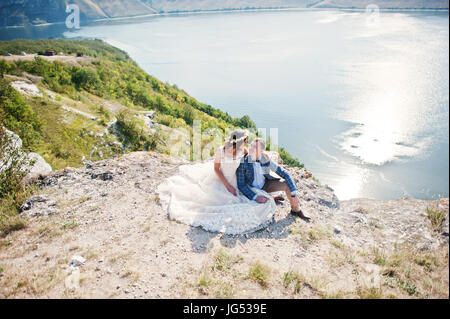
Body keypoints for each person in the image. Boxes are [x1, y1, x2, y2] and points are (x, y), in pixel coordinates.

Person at [157, 130, 276, 234]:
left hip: (235, 180)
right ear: (240, 141)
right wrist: (227, 186)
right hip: (220, 179)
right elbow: (216, 169)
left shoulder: (243, 150)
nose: (247, 143)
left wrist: (263, 155)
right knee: (213, 202)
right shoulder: (222, 150)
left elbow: (252, 158)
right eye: (246, 140)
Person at [236, 138, 310, 221]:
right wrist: (256, 197)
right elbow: (241, 184)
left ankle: (296, 209)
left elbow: (284, 173)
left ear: (262, 150)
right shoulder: (243, 162)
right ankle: (271, 197)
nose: (251, 149)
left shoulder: (265, 159)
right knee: (261, 210)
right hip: (252, 189)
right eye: (251, 146)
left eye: (255, 147)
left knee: (287, 184)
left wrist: (293, 195)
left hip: (265, 185)